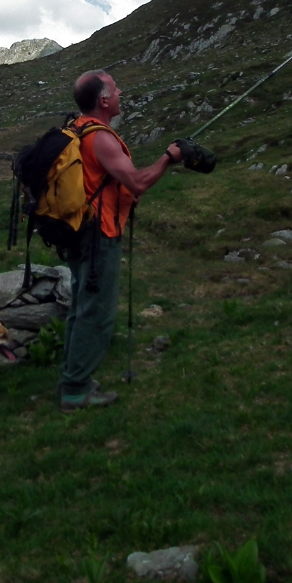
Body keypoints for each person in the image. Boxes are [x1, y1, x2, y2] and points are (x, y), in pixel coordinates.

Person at [59, 69, 182, 412]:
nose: (120, 92)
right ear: (104, 100)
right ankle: (75, 392)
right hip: (99, 235)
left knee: (80, 310)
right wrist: (168, 158)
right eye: (115, 89)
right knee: (96, 313)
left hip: (77, 231)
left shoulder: (75, 128)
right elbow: (137, 182)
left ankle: (73, 379)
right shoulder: (101, 138)